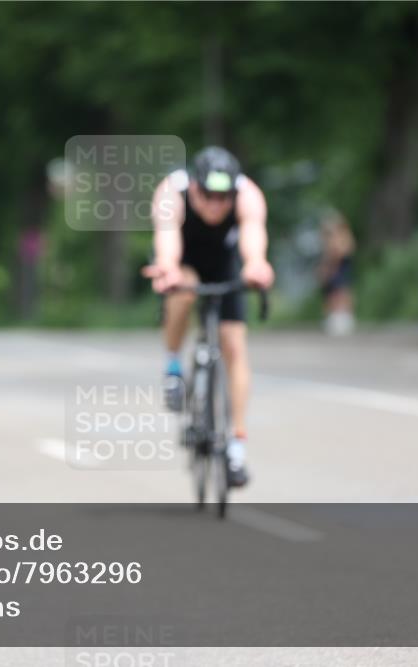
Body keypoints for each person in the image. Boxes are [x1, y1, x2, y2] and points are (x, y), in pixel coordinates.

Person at [142, 146, 275, 487]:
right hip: (183, 257)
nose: (216, 205)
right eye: (208, 196)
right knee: (183, 288)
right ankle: (173, 364)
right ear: (195, 187)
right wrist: (168, 269)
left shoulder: (248, 195)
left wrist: (257, 265)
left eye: (224, 197)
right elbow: (168, 239)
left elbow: (253, 237)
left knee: (234, 346)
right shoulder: (172, 192)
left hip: (224, 260)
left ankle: (236, 447)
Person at [318, 210, 356, 336]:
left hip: (340, 270)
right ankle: (334, 318)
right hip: (335, 271)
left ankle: (343, 318)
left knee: (340, 293)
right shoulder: (332, 240)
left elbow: (339, 255)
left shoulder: (343, 238)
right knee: (332, 294)